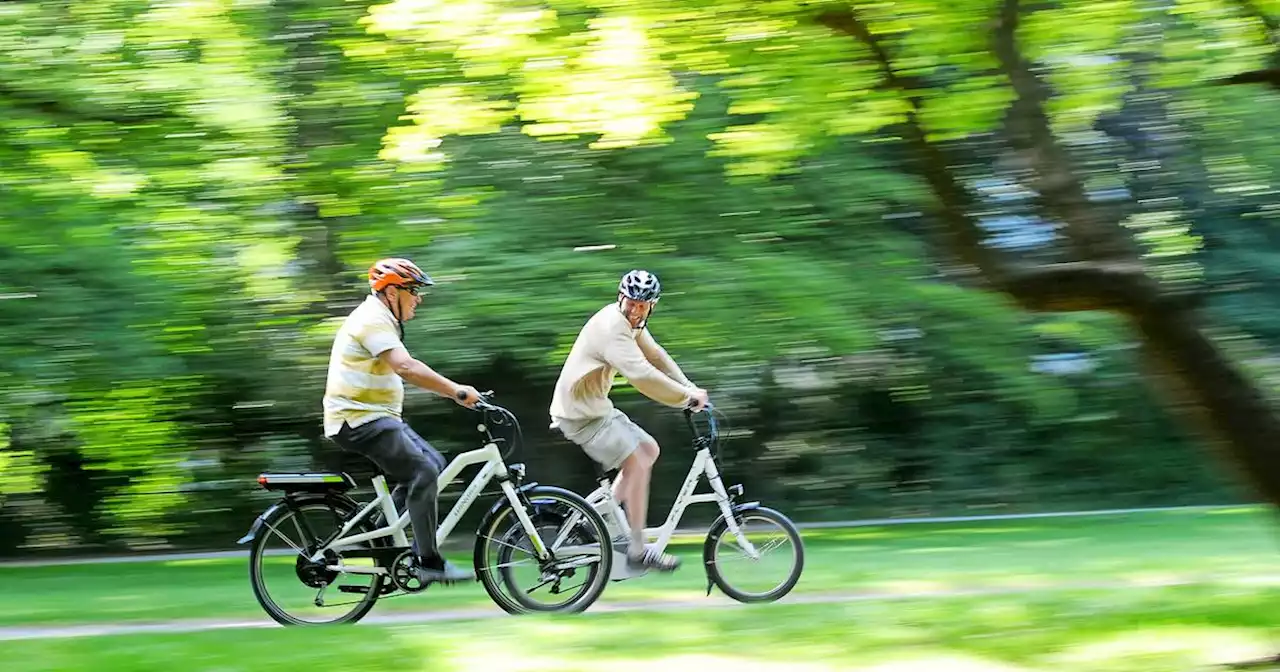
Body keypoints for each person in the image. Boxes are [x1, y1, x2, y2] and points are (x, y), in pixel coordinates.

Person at [322, 257, 480, 585]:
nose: (419, 298)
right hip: (358, 419)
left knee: (433, 464)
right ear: (392, 292)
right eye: (413, 291)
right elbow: (406, 367)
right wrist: (457, 392)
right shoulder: (371, 319)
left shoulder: (383, 319)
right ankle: (428, 561)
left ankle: (380, 539)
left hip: (376, 417)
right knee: (423, 471)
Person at [549, 269, 709, 572]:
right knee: (635, 461)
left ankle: (588, 520)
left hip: (596, 409)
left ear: (652, 306)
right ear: (621, 298)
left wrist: (689, 386)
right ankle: (637, 550)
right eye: (630, 302)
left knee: (649, 451)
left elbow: (656, 356)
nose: (635, 309)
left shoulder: (633, 324)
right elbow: (641, 375)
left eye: (642, 305)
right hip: (579, 415)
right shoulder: (613, 326)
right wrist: (685, 399)